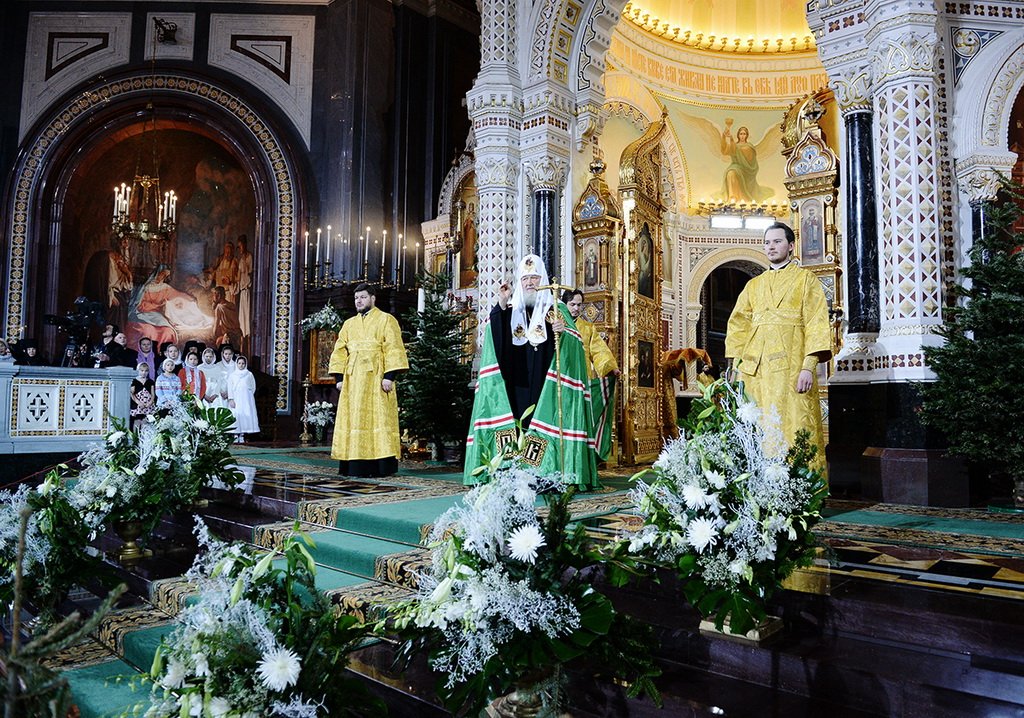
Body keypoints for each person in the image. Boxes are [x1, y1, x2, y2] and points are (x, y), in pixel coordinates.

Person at [463, 254, 598, 489]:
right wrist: (502, 303)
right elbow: (495, 338)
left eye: (534, 278)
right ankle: (511, 470)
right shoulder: (511, 308)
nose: (529, 283)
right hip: (516, 382)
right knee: (516, 423)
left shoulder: (555, 309)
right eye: (525, 279)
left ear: (542, 279)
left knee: (539, 422)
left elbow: (575, 346)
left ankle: (544, 472)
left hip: (545, 383)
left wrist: (562, 331)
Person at [725, 222, 832, 469]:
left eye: (777, 241)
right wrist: (736, 366)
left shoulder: (806, 280)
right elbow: (738, 325)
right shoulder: (754, 285)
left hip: (792, 369)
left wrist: (808, 367)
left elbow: (816, 322)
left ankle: (798, 485)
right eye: (767, 242)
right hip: (755, 372)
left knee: (794, 425)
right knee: (757, 426)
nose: (770, 247)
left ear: (791, 246)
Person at [328, 283, 409, 477]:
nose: (359, 301)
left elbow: (394, 348)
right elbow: (339, 351)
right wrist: (339, 377)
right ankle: (353, 465)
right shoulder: (349, 324)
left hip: (376, 378)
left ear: (373, 298)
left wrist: (389, 376)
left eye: (363, 297)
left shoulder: (386, 320)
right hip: (353, 380)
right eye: (356, 298)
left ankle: (380, 466)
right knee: (353, 419)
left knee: (379, 417)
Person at [562, 289, 619, 461]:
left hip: (582, 380)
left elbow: (599, 351)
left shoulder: (587, 328)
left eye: (579, 305)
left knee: (580, 419)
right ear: (564, 304)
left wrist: (610, 368)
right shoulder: (556, 324)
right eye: (572, 304)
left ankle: (580, 456)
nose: (576, 308)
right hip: (560, 380)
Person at [226, 355, 259, 443]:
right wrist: (231, 399)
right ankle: (235, 435)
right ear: (236, 364)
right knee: (236, 415)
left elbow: (253, 386)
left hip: (246, 399)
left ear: (245, 364)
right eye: (239, 363)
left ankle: (242, 435)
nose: (241, 365)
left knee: (245, 415)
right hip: (236, 398)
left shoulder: (249, 374)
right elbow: (230, 388)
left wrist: (249, 396)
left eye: (243, 363)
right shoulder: (232, 375)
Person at [130, 361, 156, 428]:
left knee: (146, 421)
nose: (144, 373)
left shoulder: (151, 381)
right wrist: (138, 402)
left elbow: (153, 394)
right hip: (138, 405)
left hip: (148, 404)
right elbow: (132, 393)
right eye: (142, 371)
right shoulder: (134, 381)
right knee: (137, 421)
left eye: (146, 371)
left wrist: (150, 402)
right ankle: (135, 434)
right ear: (138, 370)